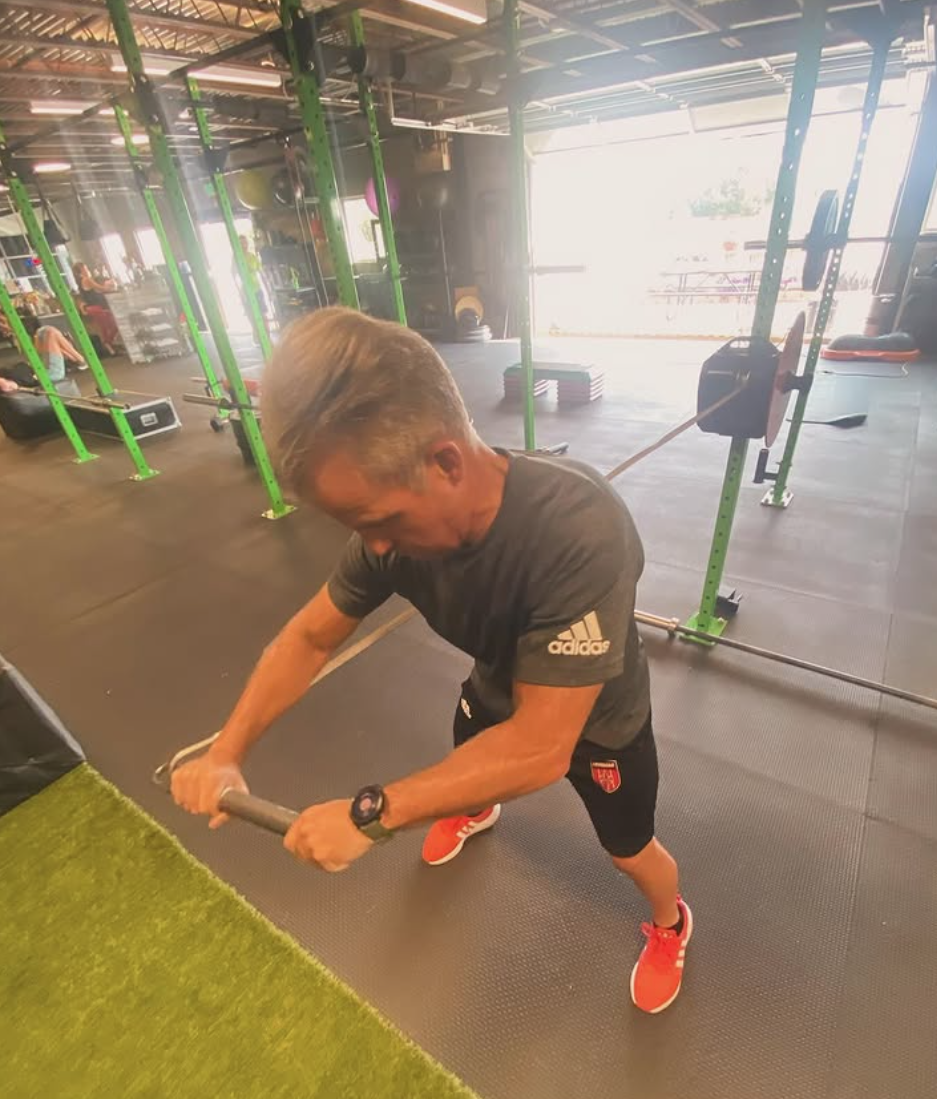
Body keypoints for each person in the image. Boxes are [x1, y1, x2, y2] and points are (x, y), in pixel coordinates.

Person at [171, 308, 691, 1014]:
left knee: (631, 855)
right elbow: (307, 639)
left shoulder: (577, 528)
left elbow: (540, 747)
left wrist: (368, 815)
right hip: (494, 694)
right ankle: (475, 807)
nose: (373, 549)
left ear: (446, 462)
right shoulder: (386, 531)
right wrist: (225, 752)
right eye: (355, 527)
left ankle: (669, 925)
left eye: (378, 520)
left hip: (597, 724)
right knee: (467, 765)